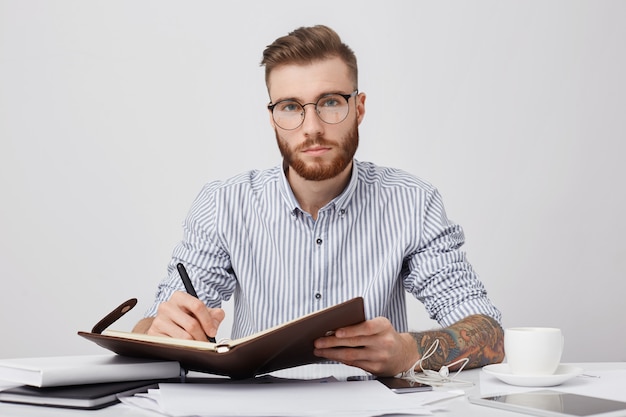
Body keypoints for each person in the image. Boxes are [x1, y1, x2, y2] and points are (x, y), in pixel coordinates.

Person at [133, 25, 504, 377]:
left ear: (358, 108)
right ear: (273, 118)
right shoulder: (223, 205)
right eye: (291, 107)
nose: (312, 127)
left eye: (329, 102)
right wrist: (158, 332)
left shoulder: (412, 203)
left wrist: (409, 350)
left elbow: (490, 334)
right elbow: (151, 328)